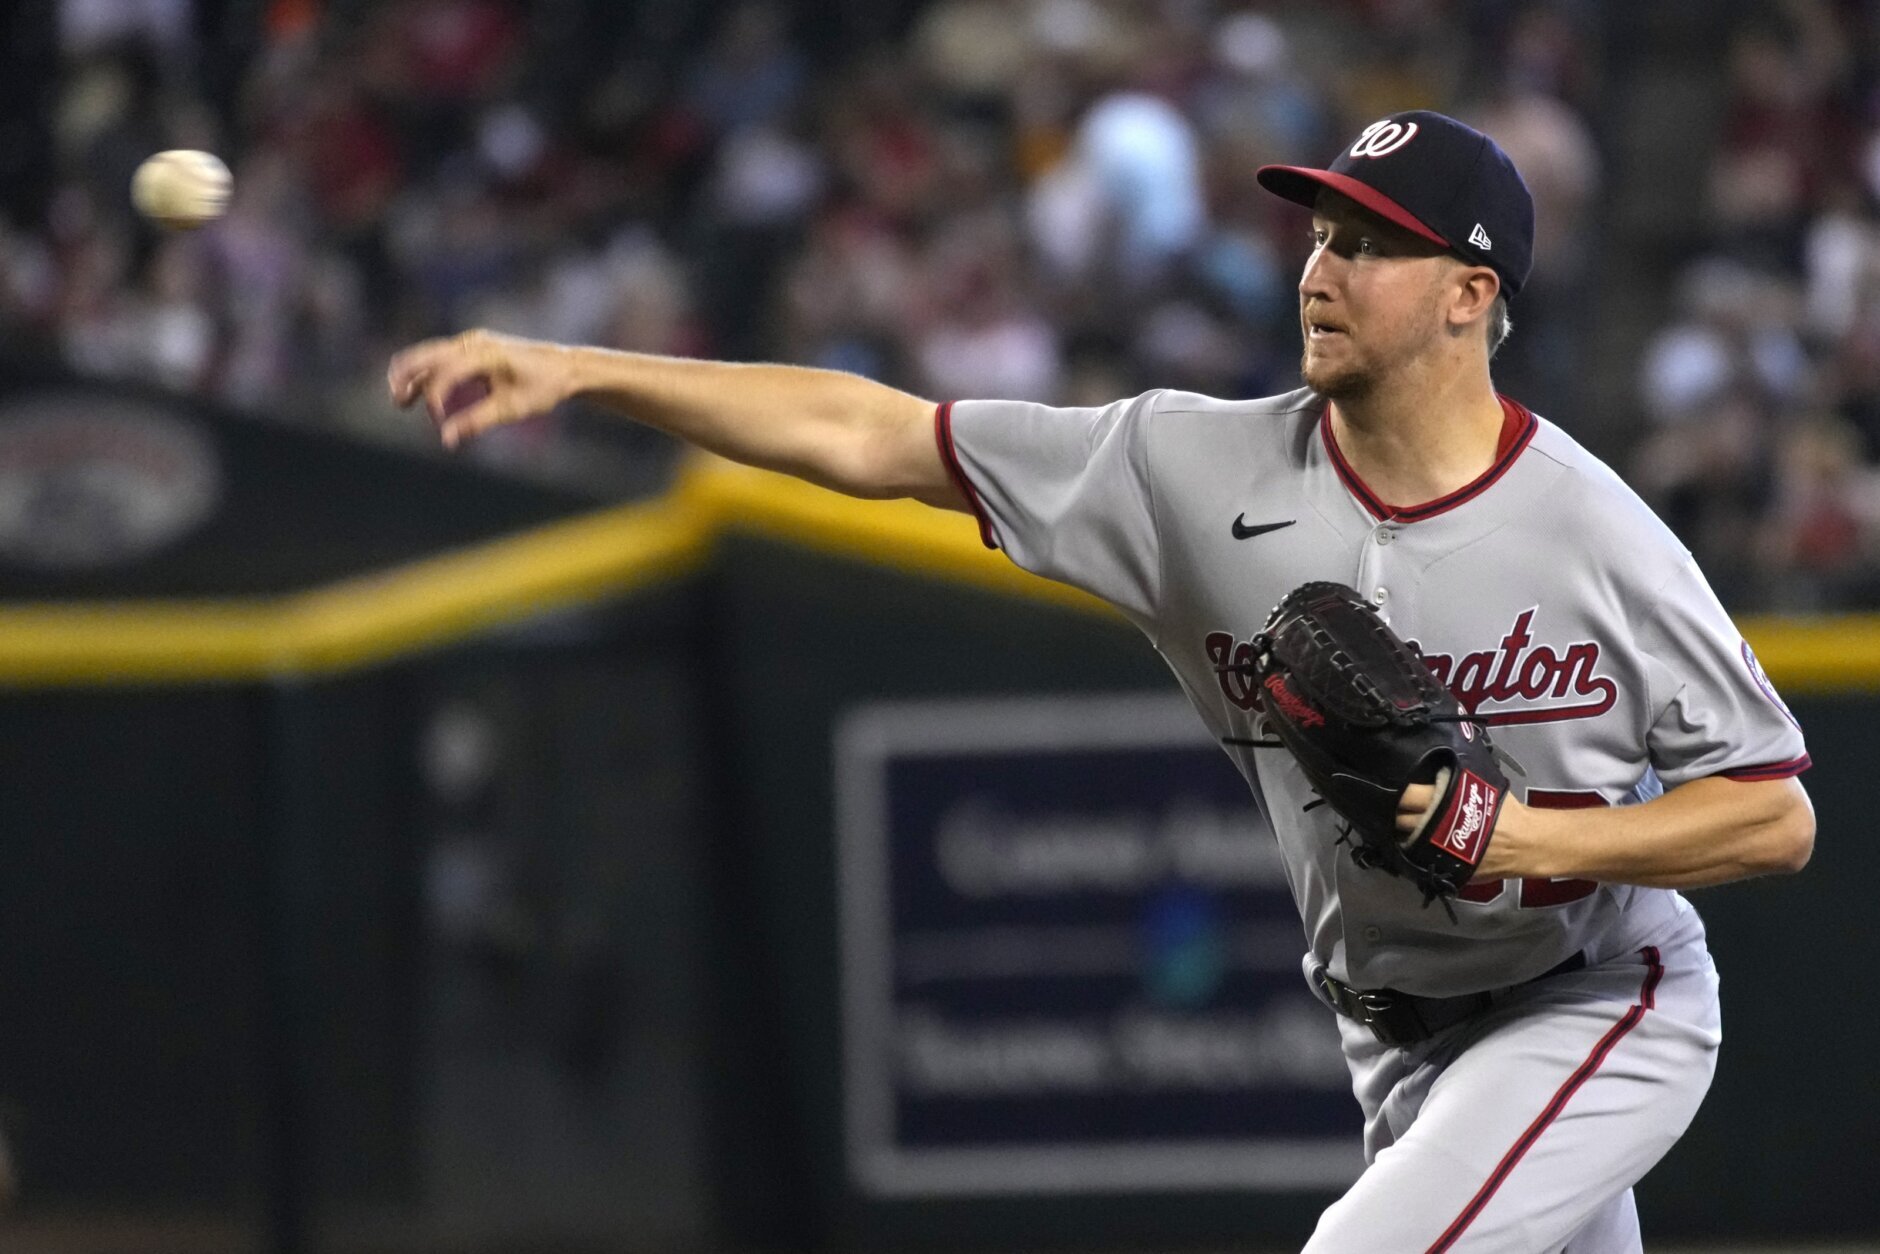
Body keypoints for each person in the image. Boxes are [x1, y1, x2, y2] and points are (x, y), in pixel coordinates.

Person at [389, 111, 1814, 1253]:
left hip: (1596, 994)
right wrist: (582, 367)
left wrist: (1529, 838)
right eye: (1319, 233)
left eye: (1370, 244)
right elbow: (869, 430)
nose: (1320, 266)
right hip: (1390, 1041)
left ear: (1469, 295)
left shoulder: (1594, 531)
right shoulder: (1183, 468)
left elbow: (1772, 814)